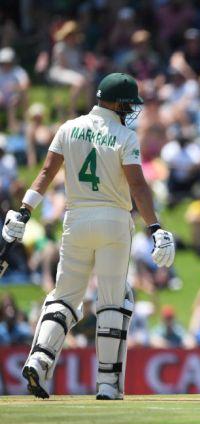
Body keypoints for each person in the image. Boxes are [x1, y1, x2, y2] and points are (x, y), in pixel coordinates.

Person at [2, 73, 176, 400]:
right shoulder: (125, 136)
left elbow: (44, 174)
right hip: (113, 220)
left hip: (76, 219)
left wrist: (23, 211)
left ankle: (40, 359)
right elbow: (138, 186)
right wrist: (156, 228)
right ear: (117, 102)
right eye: (128, 103)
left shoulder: (68, 127)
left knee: (65, 297)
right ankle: (108, 386)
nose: (130, 110)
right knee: (113, 300)